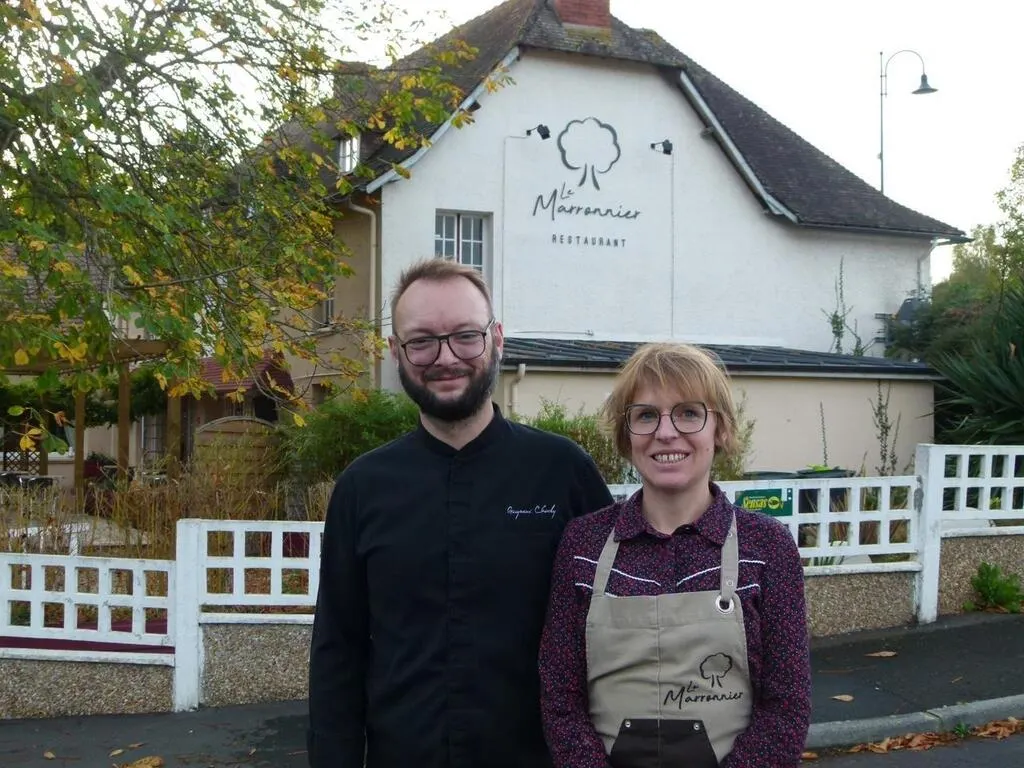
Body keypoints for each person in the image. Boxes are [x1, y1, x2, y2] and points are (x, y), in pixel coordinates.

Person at [307, 258, 614, 768]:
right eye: (421, 341)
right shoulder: (363, 487)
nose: (445, 357)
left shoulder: (563, 471)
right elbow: (337, 650)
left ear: (497, 339)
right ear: (395, 353)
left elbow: (615, 623)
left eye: (465, 336)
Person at [539, 342, 811, 767]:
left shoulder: (767, 547)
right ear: (626, 436)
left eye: (688, 413)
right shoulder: (583, 545)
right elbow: (560, 698)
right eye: (646, 415)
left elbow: (786, 708)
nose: (666, 432)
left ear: (718, 429)